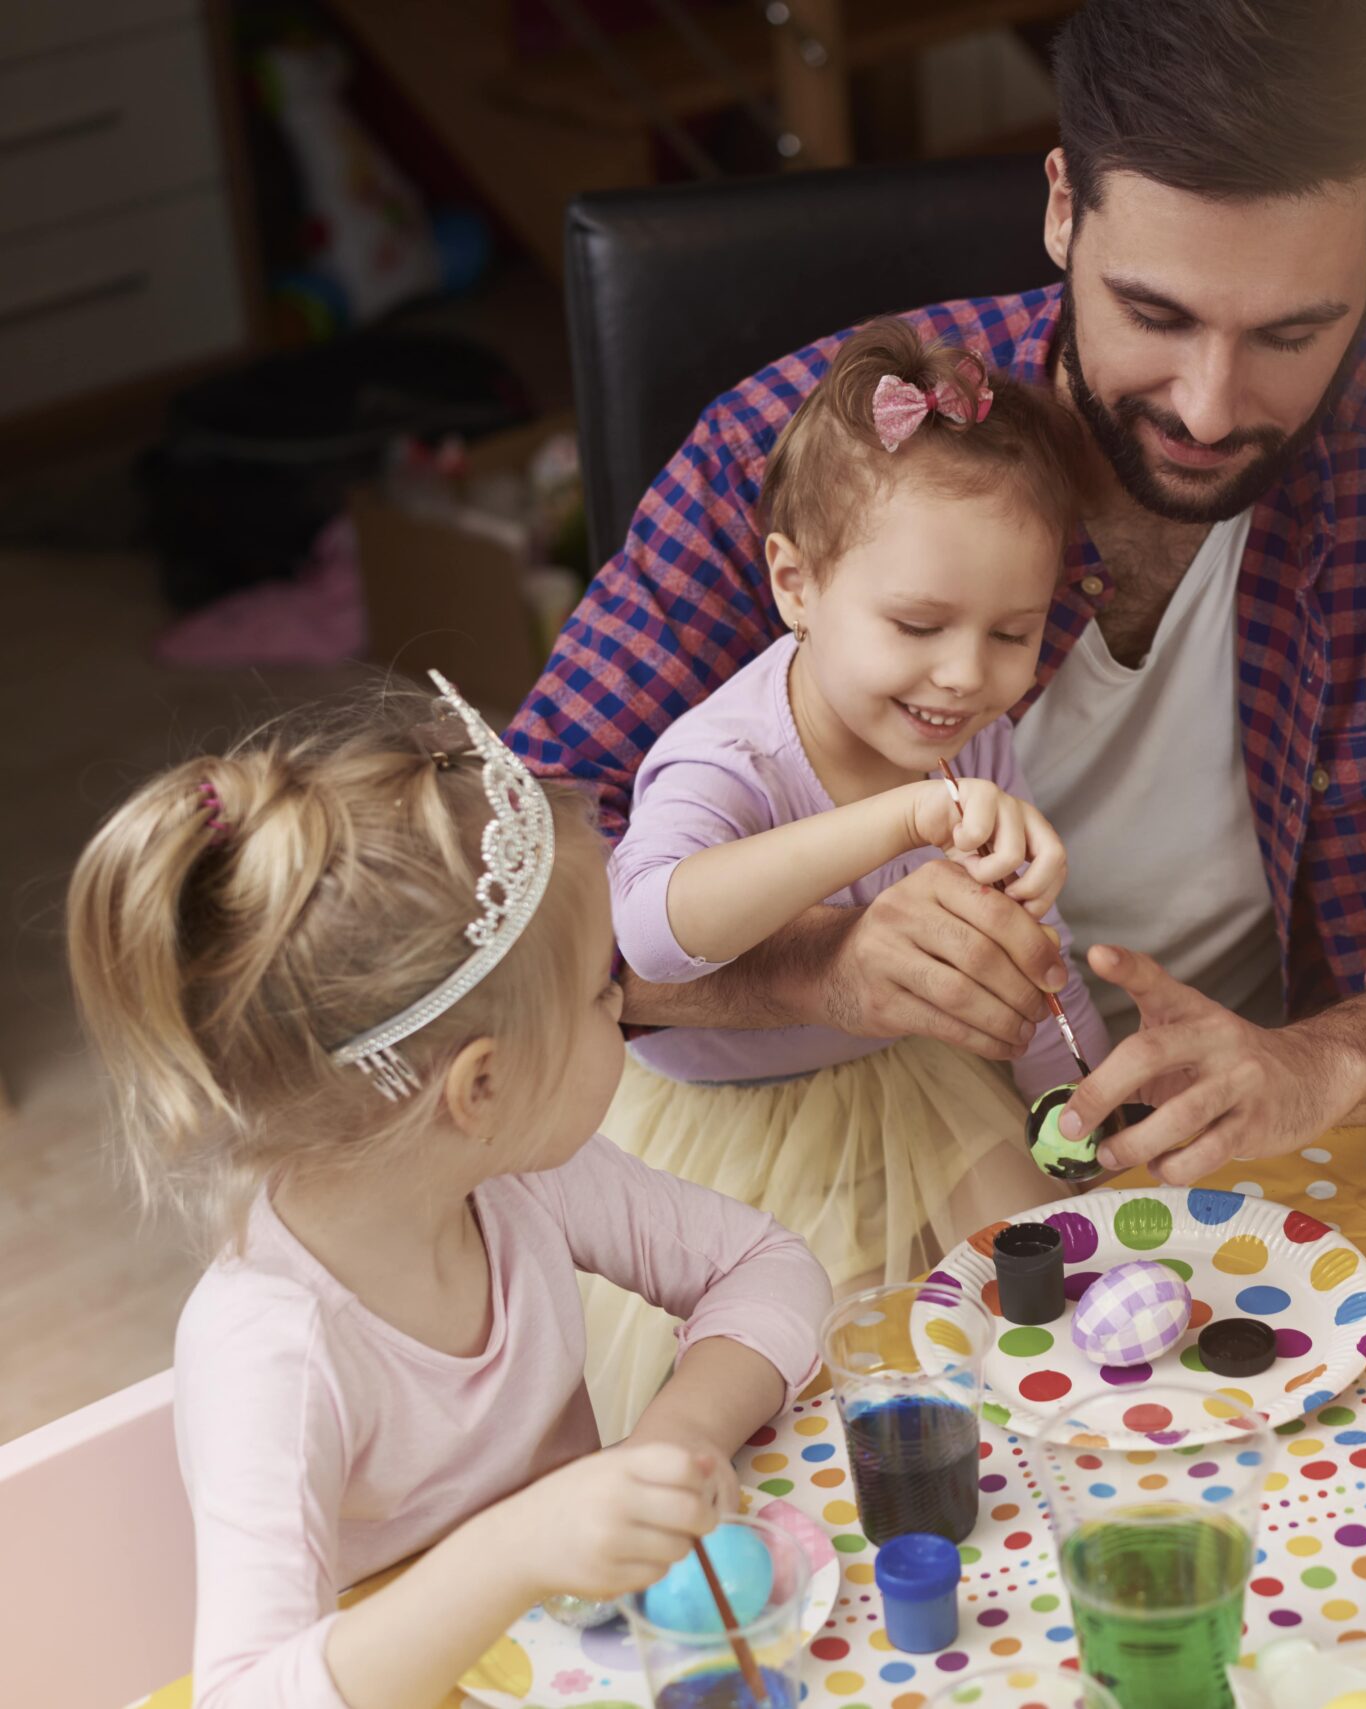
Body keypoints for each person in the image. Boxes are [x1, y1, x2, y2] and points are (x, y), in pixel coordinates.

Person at [509, 0, 1366, 1188]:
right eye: (1156, 314)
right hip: (834, 1173)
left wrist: (1325, 1063)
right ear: (1061, 207)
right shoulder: (795, 456)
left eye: (1294, 332)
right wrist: (819, 969)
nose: (1208, 405)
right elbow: (508, 892)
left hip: (1266, 1159)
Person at [68, 677, 830, 1708]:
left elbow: (766, 1264)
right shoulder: (273, 1347)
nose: (623, 1004)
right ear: (482, 1084)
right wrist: (510, 1549)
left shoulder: (525, 1176)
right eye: (602, 993)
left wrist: (674, 1436)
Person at [586, 319, 1104, 1435]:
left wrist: (1091, 1106)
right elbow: (649, 933)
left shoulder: (969, 728)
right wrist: (895, 820)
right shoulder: (726, 754)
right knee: (833, 1393)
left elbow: (1024, 946)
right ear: (795, 582)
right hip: (733, 1139)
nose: (966, 674)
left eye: (1013, 632)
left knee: (1053, 1302)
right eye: (918, 623)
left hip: (920, 1092)